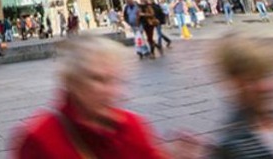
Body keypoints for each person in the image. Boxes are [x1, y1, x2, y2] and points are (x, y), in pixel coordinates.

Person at [10, 35, 167, 158]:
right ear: (72, 82)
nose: (112, 91)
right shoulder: (41, 138)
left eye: (116, 80)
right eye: (98, 79)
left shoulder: (132, 127)